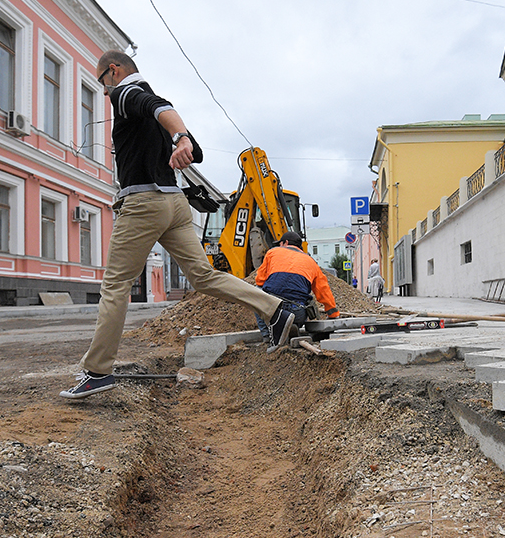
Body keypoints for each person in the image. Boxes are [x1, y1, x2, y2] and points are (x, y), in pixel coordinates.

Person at [61, 51, 295, 399]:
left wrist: (180, 137)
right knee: (205, 276)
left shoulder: (125, 93)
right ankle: (275, 309)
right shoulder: (152, 105)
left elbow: (155, 107)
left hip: (143, 204)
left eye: (102, 81)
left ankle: (97, 371)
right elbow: (189, 145)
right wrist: (183, 139)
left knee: (115, 286)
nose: (104, 90)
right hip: (175, 204)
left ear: (114, 70)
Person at [254, 231, 340, 342]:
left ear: (285, 242)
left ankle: (268, 335)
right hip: (297, 312)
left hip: (273, 309)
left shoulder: (272, 253)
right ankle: (292, 325)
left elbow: (260, 281)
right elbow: (324, 291)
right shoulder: (311, 262)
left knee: (257, 291)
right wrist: (333, 314)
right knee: (304, 300)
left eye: (280, 244)